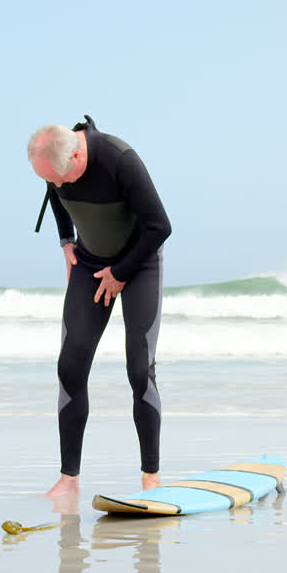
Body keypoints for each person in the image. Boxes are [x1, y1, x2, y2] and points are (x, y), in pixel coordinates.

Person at [27, 118, 172, 499]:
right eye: (48, 180)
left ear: (76, 155)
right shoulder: (55, 162)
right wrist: (65, 240)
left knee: (139, 368)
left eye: (59, 178)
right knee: (70, 366)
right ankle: (69, 481)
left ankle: (150, 478)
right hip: (90, 265)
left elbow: (160, 226)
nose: (56, 186)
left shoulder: (119, 159)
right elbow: (54, 194)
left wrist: (121, 273)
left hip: (138, 264)